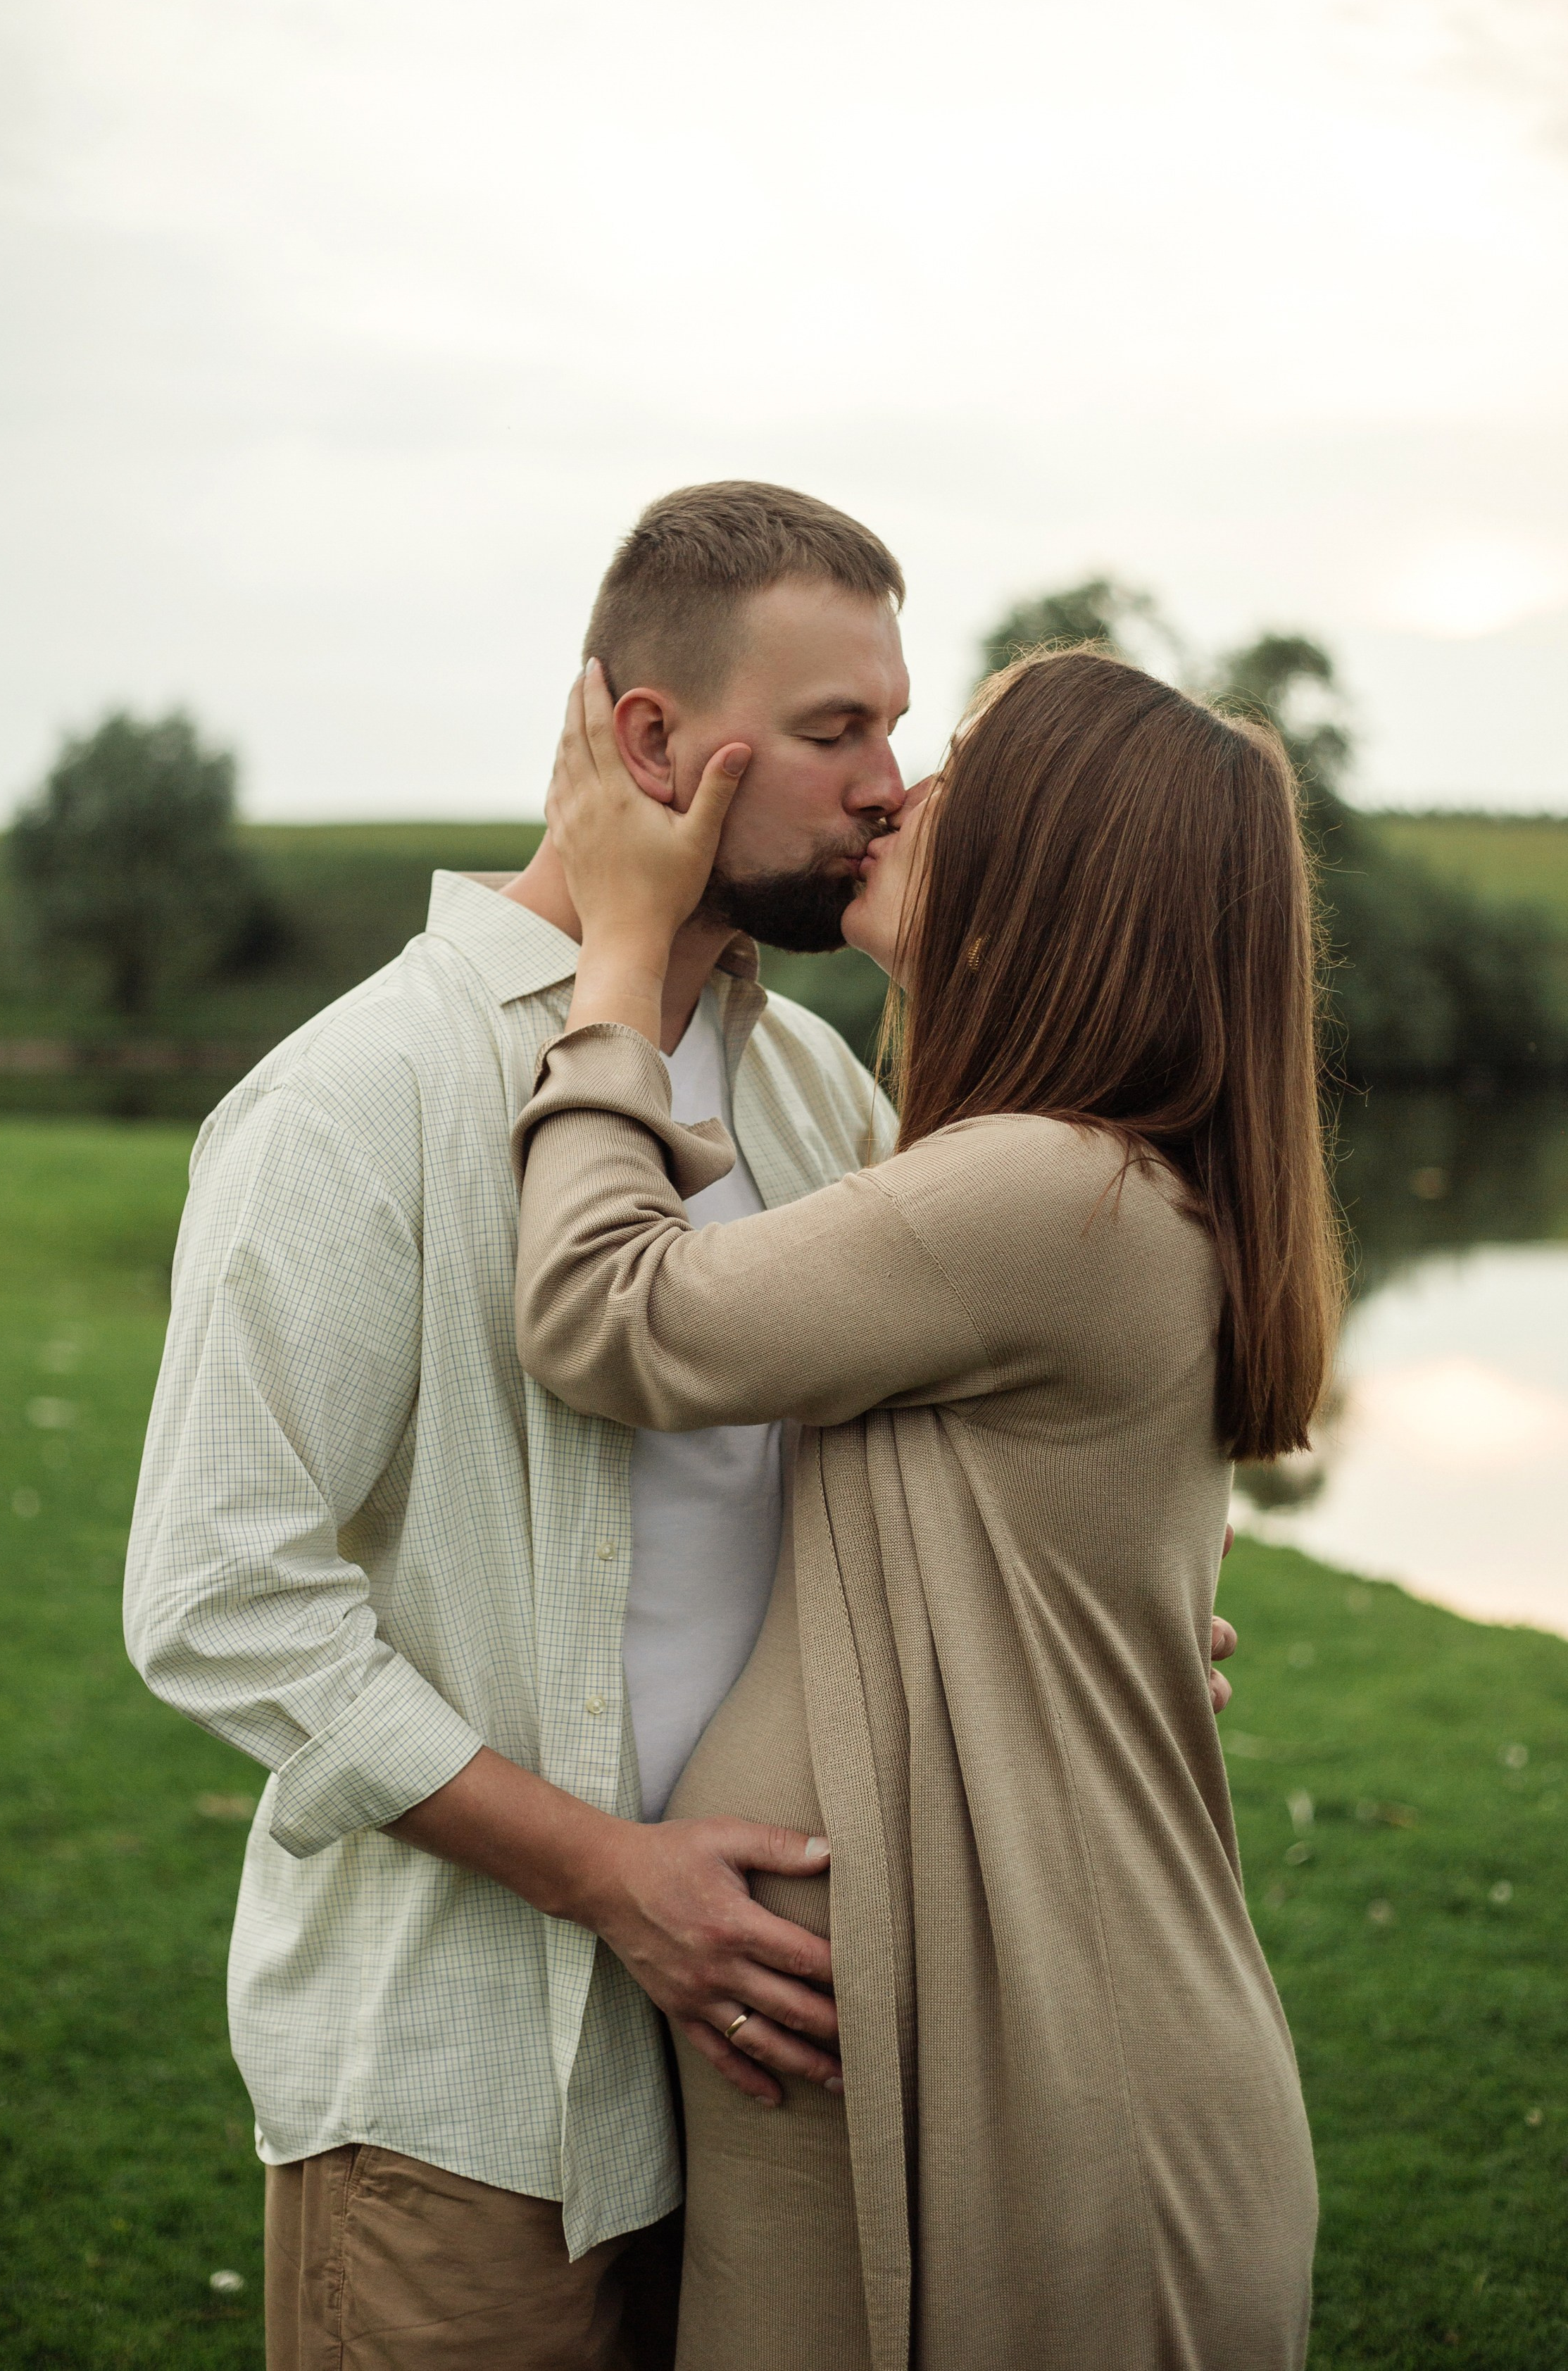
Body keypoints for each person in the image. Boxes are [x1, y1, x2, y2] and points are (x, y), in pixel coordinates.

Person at [123, 480, 1238, 2371]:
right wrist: (607, 1873)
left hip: (777, 2078)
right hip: (469, 2102)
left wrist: (1065, 1624)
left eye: (895, 723)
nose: (888, 784)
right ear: (650, 742)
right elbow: (218, 1596)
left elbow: (888, 1487)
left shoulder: (815, 1089)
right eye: (831, 733)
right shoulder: (352, 1100)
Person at [512, 646, 1339, 2370]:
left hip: (1057, 2104)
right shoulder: (1054, 1180)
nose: (901, 791)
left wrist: (617, 952)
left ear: (1050, 862)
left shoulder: (1043, 1187)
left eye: (958, 763)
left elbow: (610, 1310)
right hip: (984, 2058)